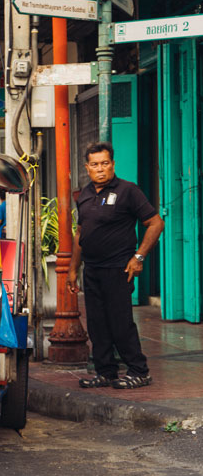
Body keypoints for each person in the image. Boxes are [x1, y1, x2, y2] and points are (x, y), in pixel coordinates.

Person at [67, 141, 164, 390]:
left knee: (120, 323)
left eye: (105, 163)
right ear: (87, 167)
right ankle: (106, 372)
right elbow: (81, 233)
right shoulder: (85, 195)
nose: (101, 169)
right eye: (95, 164)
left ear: (113, 164)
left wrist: (139, 257)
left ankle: (139, 371)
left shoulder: (128, 190)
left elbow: (155, 223)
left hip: (119, 268)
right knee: (97, 325)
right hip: (93, 269)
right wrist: (72, 269)